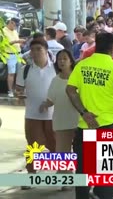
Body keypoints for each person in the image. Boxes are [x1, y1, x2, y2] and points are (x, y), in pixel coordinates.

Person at [66, 32, 113, 199]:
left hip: (84, 126)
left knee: (82, 171)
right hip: (108, 124)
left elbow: (70, 90)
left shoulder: (82, 65)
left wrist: (84, 113)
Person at [15, 39, 56, 189]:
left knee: (57, 145)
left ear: (46, 50)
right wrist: (19, 94)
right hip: (32, 114)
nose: (35, 52)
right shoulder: (25, 69)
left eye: (39, 49)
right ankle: (31, 174)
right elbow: (18, 89)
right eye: (33, 50)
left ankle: (64, 173)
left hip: (54, 115)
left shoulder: (56, 69)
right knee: (33, 146)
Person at [45, 50, 78, 182]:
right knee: (62, 152)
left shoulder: (78, 78)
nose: (62, 61)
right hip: (61, 120)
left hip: (78, 120)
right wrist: (44, 105)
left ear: (71, 61)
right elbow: (51, 99)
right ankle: (65, 179)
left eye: (65, 58)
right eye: (59, 59)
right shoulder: (55, 80)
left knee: (81, 151)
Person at [4, 17, 24, 98]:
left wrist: (20, 44)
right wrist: (17, 41)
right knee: (11, 73)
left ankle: (18, 90)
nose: (16, 27)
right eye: (15, 25)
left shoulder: (15, 31)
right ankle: (10, 91)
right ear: (11, 22)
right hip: (10, 54)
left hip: (18, 54)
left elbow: (17, 41)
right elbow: (5, 44)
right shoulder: (3, 31)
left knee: (20, 73)